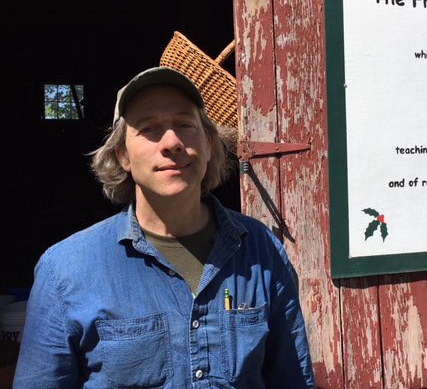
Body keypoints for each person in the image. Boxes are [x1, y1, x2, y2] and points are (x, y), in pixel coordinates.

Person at [14, 67, 315, 388]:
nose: (172, 142)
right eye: (149, 128)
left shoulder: (260, 249)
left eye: (185, 125)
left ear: (209, 144)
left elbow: (291, 379)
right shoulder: (65, 269)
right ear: (123, 155)